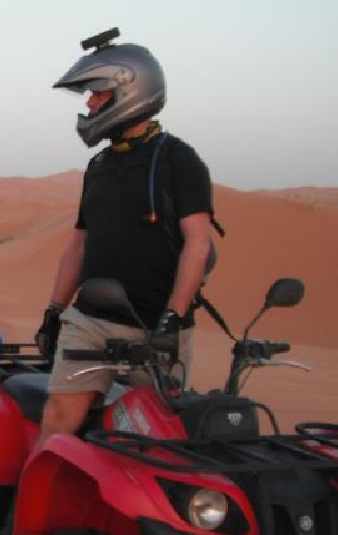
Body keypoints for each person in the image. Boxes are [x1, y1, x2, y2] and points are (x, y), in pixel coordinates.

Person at [34, 30, 214, 450]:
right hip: (91, 322)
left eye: (96, 93)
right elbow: (78, 245)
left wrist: (174, 318)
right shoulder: (98, 166)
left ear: (129, 89)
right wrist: (54, 311)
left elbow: (198, 243)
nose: (89, 104)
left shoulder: (178, 159)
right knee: (58, 421)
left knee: (155, 438)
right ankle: (27, 512)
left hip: (158, 328)